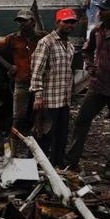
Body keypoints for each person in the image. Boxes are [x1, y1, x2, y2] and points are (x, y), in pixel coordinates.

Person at [65, 0, 110, 179]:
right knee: (82, 121)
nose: (99, 12)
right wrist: (89, 66)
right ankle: (71, 161)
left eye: (104, 9)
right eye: (99, 9)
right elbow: (87, 50)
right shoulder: (97, 31)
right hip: (97, 87)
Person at [29, 8, 78, 166]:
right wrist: (37, 96)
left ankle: (57, 165)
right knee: (43, 135)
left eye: (72, 22)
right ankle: (36, 166)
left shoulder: (69, 46)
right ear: (58, 23)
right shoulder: (46, 42)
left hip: (63, 100)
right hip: (48, 100)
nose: (70, 25)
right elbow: (37, 71)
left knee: (61, 135)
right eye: (66, 22)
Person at [0, 8, 43, 135]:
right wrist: (9, 66)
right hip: (22, 81)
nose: (21, 24)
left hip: (40, 83)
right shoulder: (12, 38)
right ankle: (14, 146)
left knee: (40, 116)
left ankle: (38, 144)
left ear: (33, 22)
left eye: (24, 21)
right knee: (18, 117)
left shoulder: (42, 37)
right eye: (19, 21)